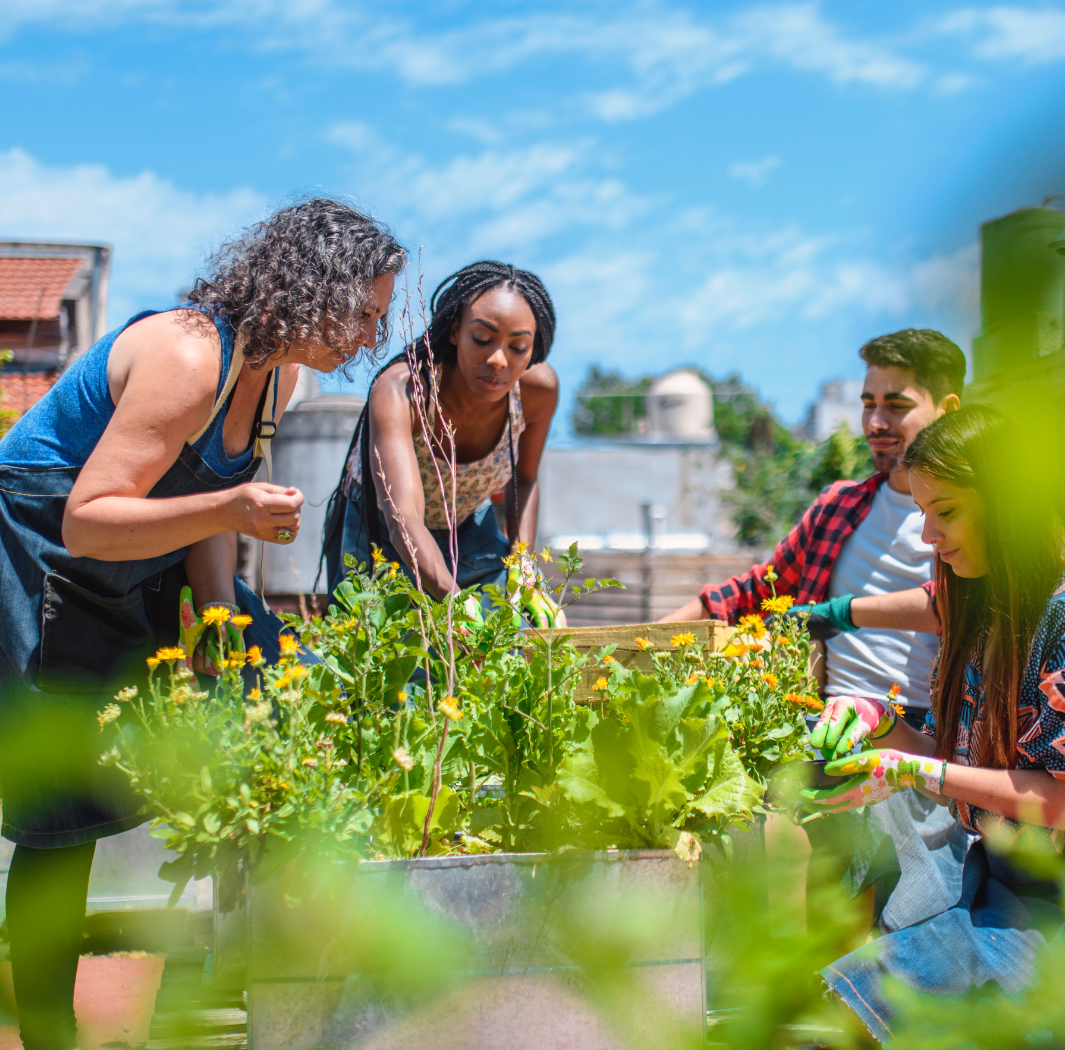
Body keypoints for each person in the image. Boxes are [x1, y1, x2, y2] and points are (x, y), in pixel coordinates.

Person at [0, 198, 405, 1050]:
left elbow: (203, 521)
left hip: (125, 568)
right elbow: (86, 518)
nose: (370, 337)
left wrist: (219, 626)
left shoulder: (278, 378)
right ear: (314, 288)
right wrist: (234, 505)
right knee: (59, 810)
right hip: (40, 556)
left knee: (270, 689)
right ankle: (48, 1033)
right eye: (363, 313)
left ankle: (239, 972)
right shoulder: (190, 355)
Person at [665, 330, 966, 928]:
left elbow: (960, 606)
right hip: (819, 720)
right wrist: (633, 641)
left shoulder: (963, 520)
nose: (876, 421)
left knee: (840, 848)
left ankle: (823, 992)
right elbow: (753, 592)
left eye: (897, 405)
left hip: (918, 730)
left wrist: (840, 611)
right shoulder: (840, 507)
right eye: (866, 403)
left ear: (946, 409)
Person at [803, 403, 1065, 1044]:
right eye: (922, 512)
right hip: (1002, 887)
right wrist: (880, 722)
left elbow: (1055, 801)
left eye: (945, 511)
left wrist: (913, 767)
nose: (927, 535)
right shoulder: (981, 613)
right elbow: (967, 770)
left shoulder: (1058, 619)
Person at [322, 261, 559, 620]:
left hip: (466, 523)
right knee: (380, 660)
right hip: (381, 528)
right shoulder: (404, 390)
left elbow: (524, 479)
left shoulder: (537, 391)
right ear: (454, 331)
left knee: (497, 649)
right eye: (482, 338)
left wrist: (525, 567)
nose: (498, 360)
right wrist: (455, 601)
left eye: (518, 347)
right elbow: (404, 517)